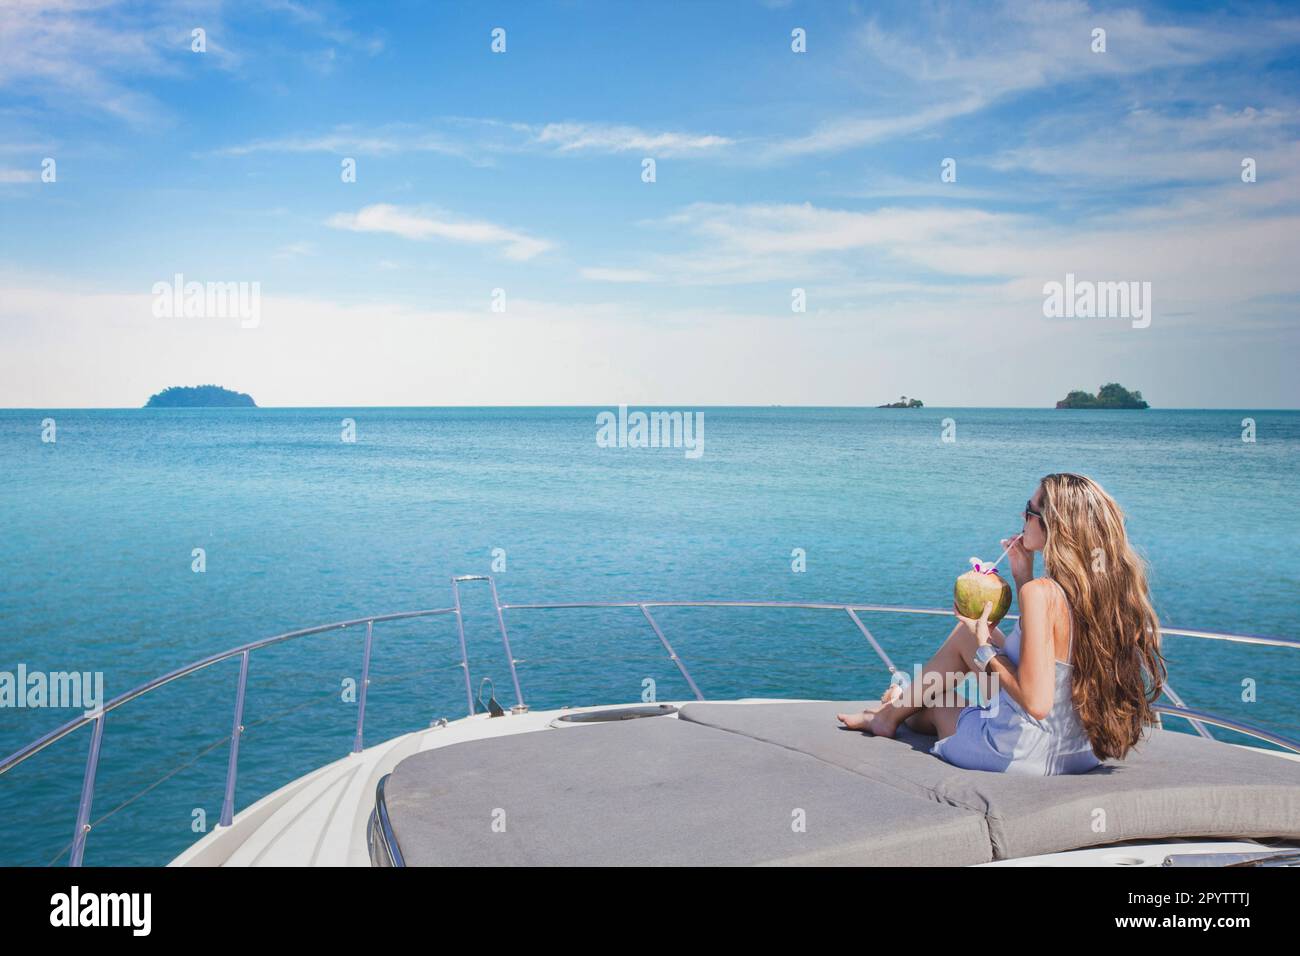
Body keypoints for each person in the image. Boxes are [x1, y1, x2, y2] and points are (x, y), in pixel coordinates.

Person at [836, 473, 1166, 774]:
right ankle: (895, 706)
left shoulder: (1043, 593)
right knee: (965, 635)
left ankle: (890, 712)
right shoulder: (1100, 592)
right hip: (1079, 752)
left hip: (1018, 753)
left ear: (1057, 527)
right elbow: (1050, 651)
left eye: (1030, 510)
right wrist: (1023, 575)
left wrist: (985, 650)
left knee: (938, 704)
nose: (1022, 517)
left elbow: (1036, 702)